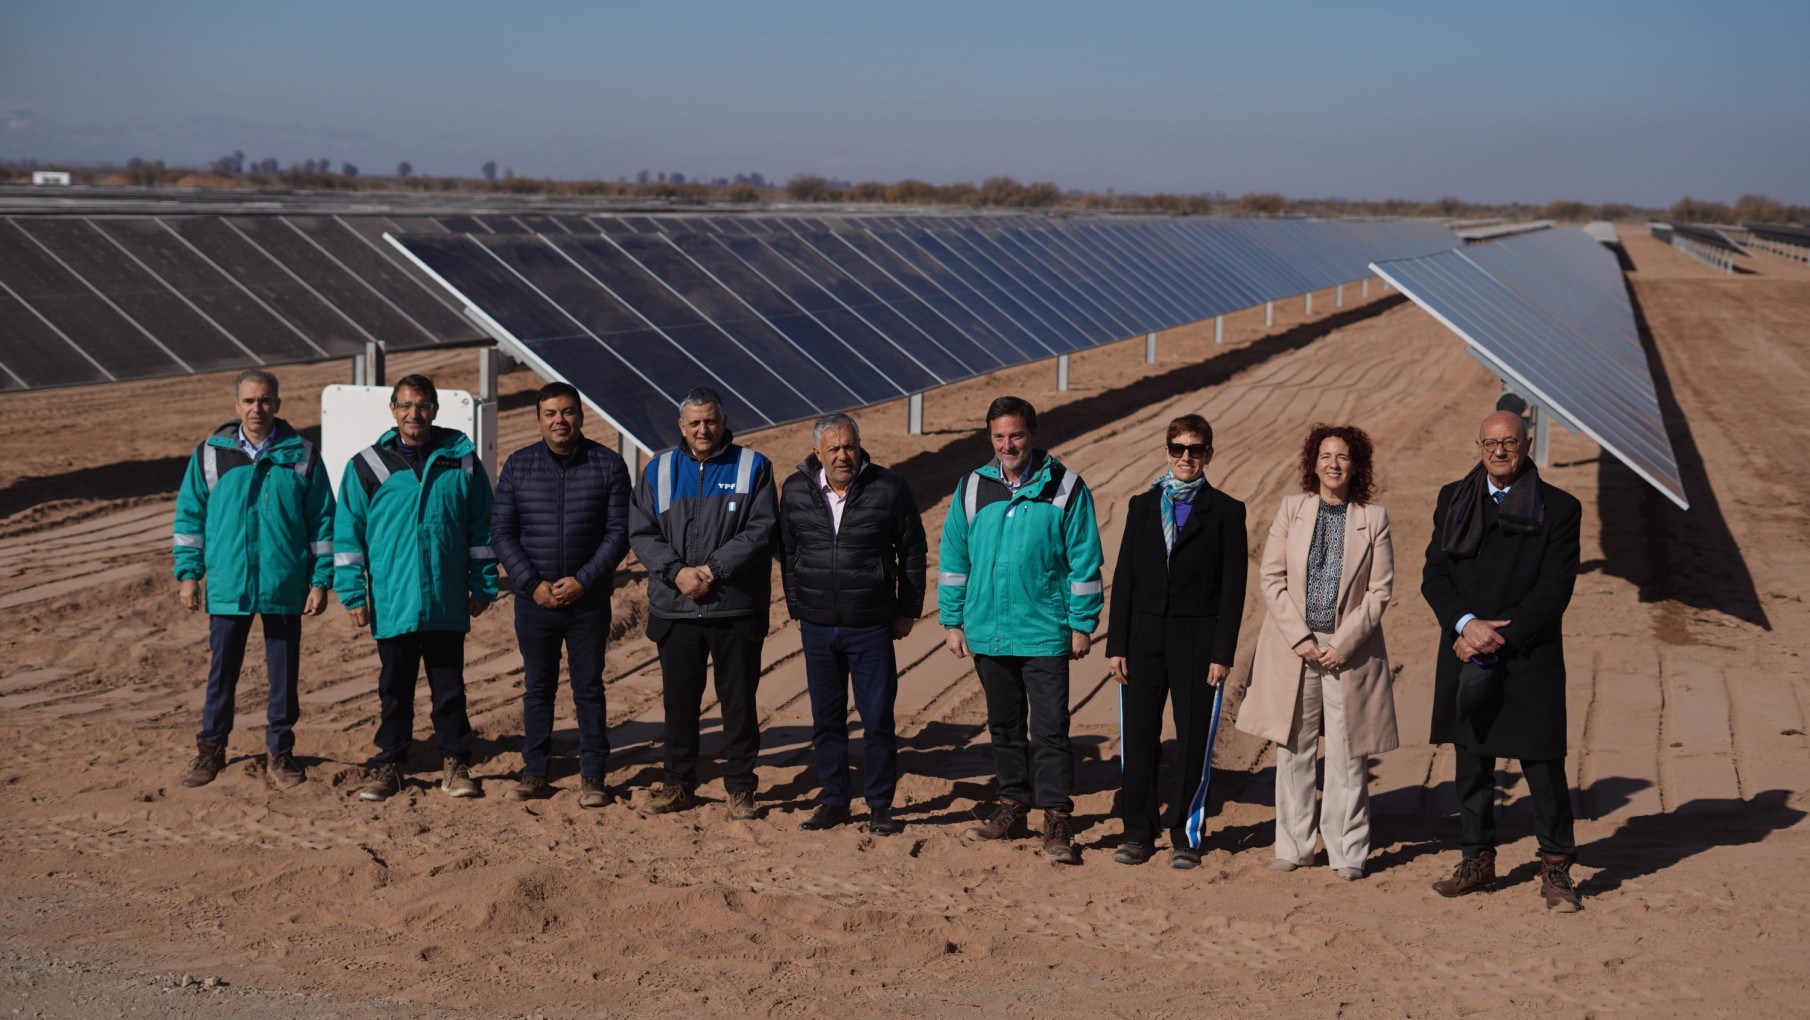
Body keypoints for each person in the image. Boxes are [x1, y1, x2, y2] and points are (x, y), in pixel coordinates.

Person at [1422, 410, 1583, 912]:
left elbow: (1554, 590)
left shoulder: (1559, 508)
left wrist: (1494, 635)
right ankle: (1477, 860)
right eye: (1490, 443)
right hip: (1465, 648)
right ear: (1478, 446)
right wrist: (1466, 625)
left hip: (1528, 654)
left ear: (1526, 445)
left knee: (1543, 766)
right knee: (1472, 764)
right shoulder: (1454, 499)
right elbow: (1434, 575)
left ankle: (1556, 867)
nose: (1499, 452)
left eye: (1509, 443)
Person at [939, 396, 1103, 864]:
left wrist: (1081, 624)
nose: (1007, 445)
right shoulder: (972, 487)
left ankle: (1057, 817)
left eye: (1015, 435)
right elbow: (954, 558)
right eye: (999, 437)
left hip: (1044, 630)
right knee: (1004, 727)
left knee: (1050, 730)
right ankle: (1012, 805)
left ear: (1032, 434)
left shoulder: (1066, 487)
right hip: (988, 629)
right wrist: (953, 620)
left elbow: (1085, 561)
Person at [1236, 423, 1397, 880]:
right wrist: (1300, 638)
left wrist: (1342, 644)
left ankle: (1347, 851)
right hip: (1295, 647)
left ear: (1356, 466)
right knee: (1294, 747)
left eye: (1343, 456)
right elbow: (1271, 577)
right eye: (1326, 456)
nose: (1333, 464)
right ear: (1314, 463)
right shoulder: (1293, 509)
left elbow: (1380, 591)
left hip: (1350, 650)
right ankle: (1294, 845)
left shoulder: (1374, 518)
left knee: (1349, 752)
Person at [335, 374, 499, 801]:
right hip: (394, 600)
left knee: (449, 689)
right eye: (406, 405)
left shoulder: (461, 461)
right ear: (393, 409)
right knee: (395, 689)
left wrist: (483, 584)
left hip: (446, 597)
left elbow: (481, 528)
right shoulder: (367, 465)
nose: (414, 413)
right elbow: (348, 534)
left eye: (422, 405)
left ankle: (456, 763)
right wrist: (352, 592)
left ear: (435, 409)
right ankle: (391, 763)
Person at [171, 370, 333, 790]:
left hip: (285, 582)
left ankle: (281, 752)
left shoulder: (302, 454)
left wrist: (320, 581)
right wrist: (189, 576)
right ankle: (211, 749)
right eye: (248, 401)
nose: (256, 409)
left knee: (284, 675)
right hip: (230, 583)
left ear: (277, 404)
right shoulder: (210, 454)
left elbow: (322, 522)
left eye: (264, 401)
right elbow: (190, 518)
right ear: (236, 406)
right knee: (222, 672)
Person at [628, 387, 778, 821]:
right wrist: (676, 572)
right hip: (675, 608)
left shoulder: (753, 466)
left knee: (738, 704)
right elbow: (641, 532)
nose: (703, 430)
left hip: (734, 607)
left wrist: (711, 570)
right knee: (679, 705)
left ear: (724, 420)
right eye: (694, 422)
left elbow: (761, 529)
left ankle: (741, 787)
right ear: (681, 426)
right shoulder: (658, 470)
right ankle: (678, 784)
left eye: (710, 421)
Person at [1106, 414, 1248, 869]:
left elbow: (1233, 589)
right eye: (1178, 448)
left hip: (1197, 639)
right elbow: (1125, 578)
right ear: (1166, 452)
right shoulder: (1141, 506)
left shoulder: (1227, 511)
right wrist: (1116, 644)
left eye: (1196, 449)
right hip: (1143, 636)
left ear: (1209, 454)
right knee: (1138, 737)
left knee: (1192, 740)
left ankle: (1186, 835)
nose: (1187, 457)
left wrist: (1222, 653)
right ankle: (1137, 832)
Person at [778, 412, 927, 836]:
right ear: (817, 453)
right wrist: (797, 606)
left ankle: (879, 804)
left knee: (877, 717)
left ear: (860, 447)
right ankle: (834, 799)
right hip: (818, 626)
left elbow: (912, 551)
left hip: (870, 624)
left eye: (849, 447)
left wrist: (907, 610)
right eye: (834, 449)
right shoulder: (795, 490)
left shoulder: (889, 487)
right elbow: (788, 553)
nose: (843, 456)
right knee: (826, 719)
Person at [490, 381, 631, 808]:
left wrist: (584, 581)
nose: (560, 420)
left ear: (581, 416)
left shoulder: (608, 465)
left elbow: (618, 533)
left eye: (568, 412)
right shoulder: (519, 466)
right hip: (535, 602)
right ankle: (535, 772)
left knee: (588, 687)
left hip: (587, 602)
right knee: (538, 688)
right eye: (550, 413)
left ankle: (593, 775)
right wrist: (531, 584)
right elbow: (502, 531)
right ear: (538, 420)